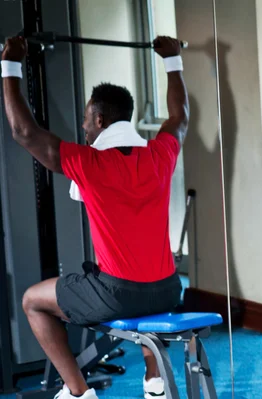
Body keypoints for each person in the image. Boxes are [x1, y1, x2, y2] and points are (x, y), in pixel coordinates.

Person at [1, 35, 189, 399]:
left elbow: (24, 132)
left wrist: (10, 64)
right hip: (169, 289)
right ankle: (154, 381)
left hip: (118, 296)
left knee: (32, 301)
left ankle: (77, 392)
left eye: (87, 121)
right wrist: (172, 60)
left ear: (100, 119)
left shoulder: (89, 161)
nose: (84, 129)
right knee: (143, 291)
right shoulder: (159, 155)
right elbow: (180, 117)